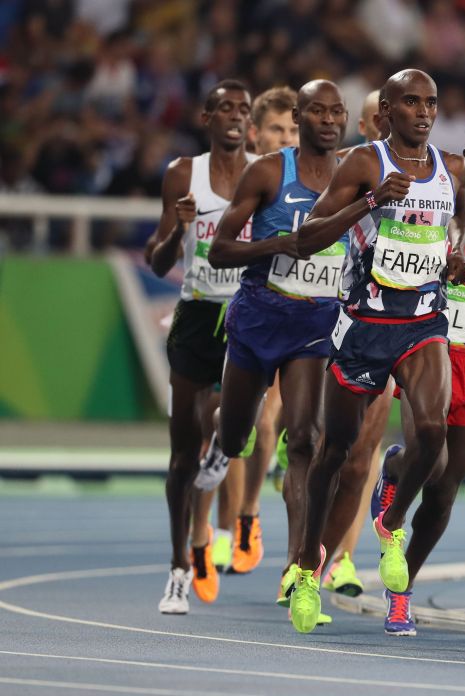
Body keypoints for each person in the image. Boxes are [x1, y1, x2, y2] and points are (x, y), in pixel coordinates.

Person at [287, 69, 465, 635]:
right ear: (386, 112)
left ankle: (390, 523)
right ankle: (307, 568)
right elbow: (309, 235)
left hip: (422, 324)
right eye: (410, 102)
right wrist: (369, 201)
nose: (422, 111)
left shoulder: (450, 168)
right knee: (333, 454)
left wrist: (454, 254)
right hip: (363, 326)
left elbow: (453, 222)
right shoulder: (364, 163)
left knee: (433, 430)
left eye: (431, 102)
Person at [371, 112, 465, 635]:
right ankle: (396, 479)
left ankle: (401, 589)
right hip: (428, 348)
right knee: (428, 464)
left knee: (444, 491)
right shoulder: (443, 206)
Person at [206, 80, 349, 617]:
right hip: (258, 317)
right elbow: (220, 249)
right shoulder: (268, 171)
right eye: (317, 111)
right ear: (301, 115)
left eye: (338, 112)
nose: (329, 120)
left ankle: (296, 564)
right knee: (237, 435)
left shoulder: (352, 173)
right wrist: (276, 245)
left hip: (313, 323)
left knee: (305, 438)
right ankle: (222, 431)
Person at [153, 79, 256, 614]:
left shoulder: (266, 172)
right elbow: (157, 258)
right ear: (207, 117)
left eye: (244, 109)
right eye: (226, 109)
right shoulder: (181, 175)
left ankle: (223, 446)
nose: (235, 116)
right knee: (180, 453)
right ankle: (176, 569)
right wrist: (180, 230)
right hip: (195, 313)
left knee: (235, 422)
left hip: (247, 312)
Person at [319, 88, 396, 599]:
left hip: (378, 323)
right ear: (368, 125)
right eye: (376, 120)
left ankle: (341, 557)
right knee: (315, 445)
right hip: (317, 315)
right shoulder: (347, 169)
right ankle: (302, 558)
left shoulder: (418, 173)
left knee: (362, 450)